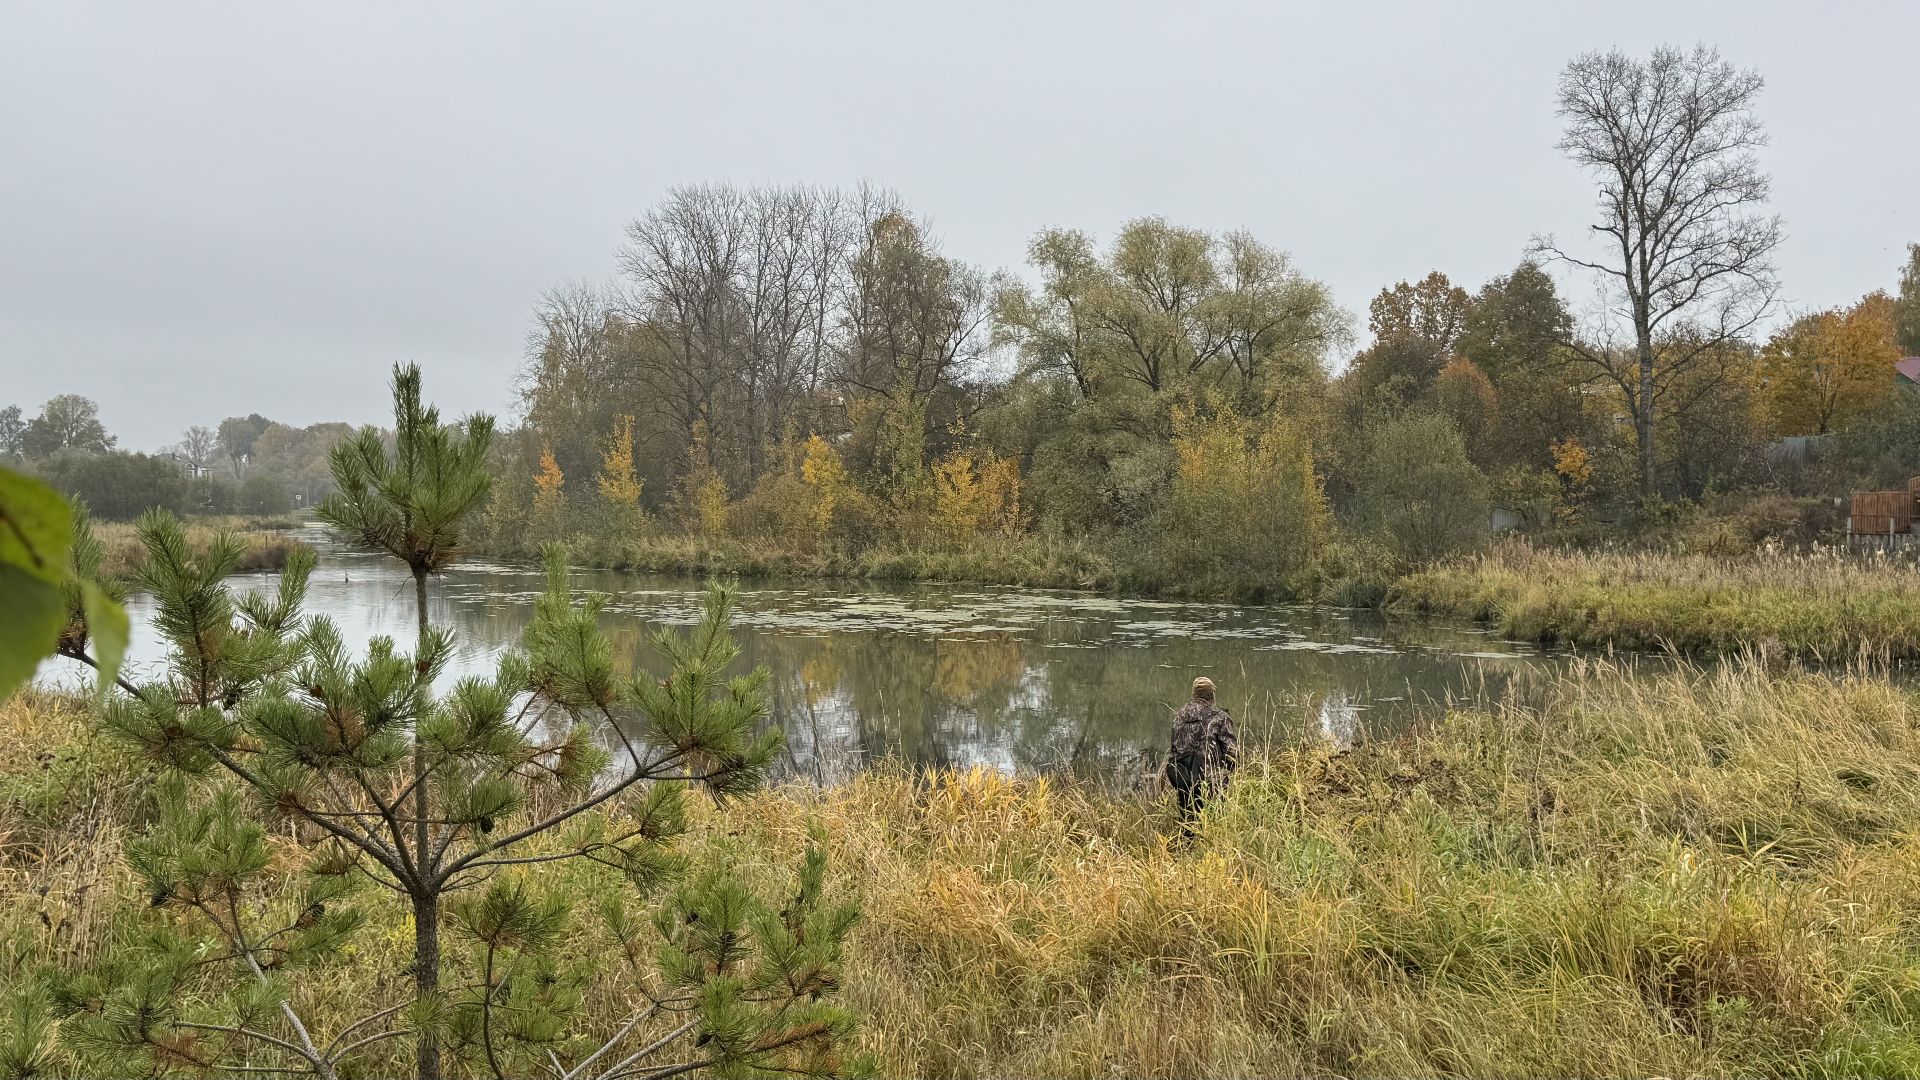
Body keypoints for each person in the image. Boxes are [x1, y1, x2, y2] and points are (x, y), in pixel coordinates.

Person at [1165, 676, 1237, 831]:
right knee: (1214, 825)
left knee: (1189, 825)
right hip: (1210, 781)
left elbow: (1174, 749)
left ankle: (1186, 851)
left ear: (1194, 695)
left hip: (1183, 780)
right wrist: (1228, 773)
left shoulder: (1179, 717)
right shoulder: (1220, 717)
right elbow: (1232, 753)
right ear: (1212, 695)